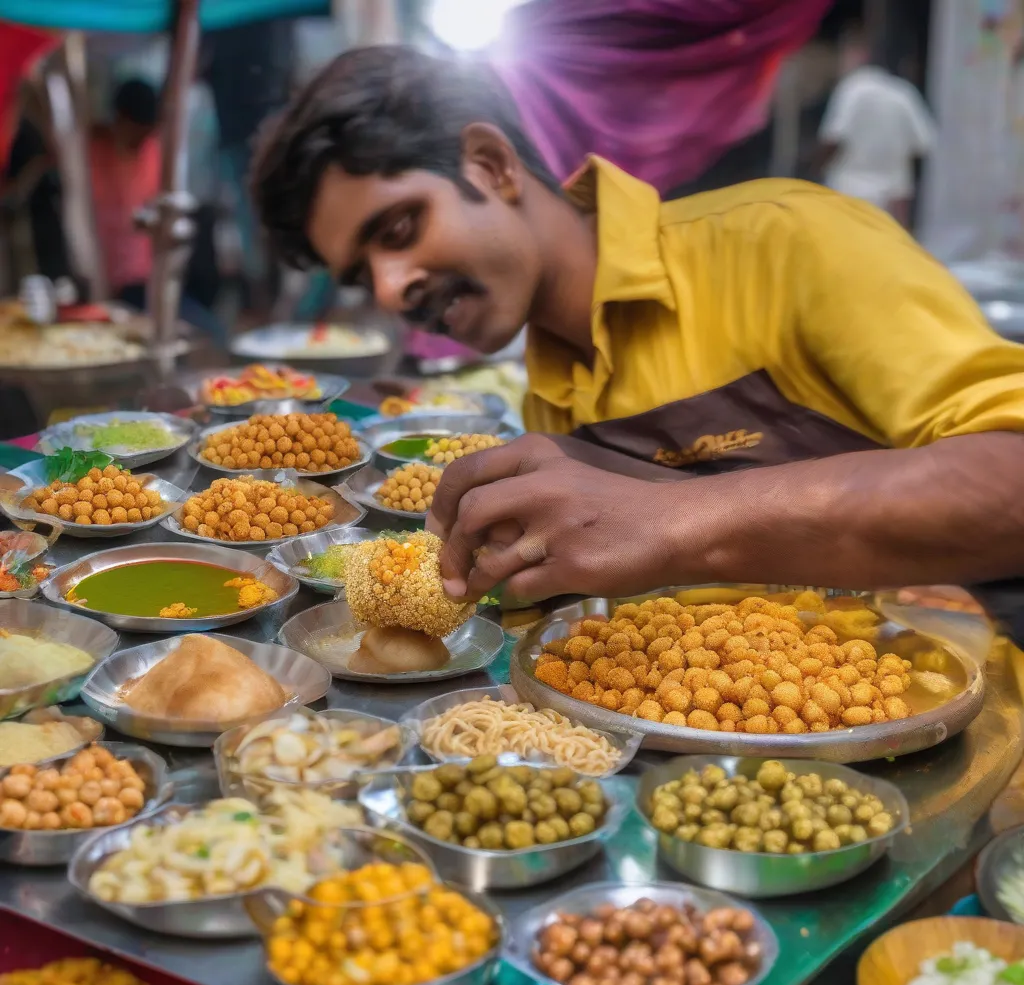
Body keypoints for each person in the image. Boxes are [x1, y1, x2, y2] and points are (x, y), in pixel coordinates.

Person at [251, 47, 1024, 640]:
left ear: (490, 165)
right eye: (363, 275)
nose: (391, 291)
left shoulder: (785, 243)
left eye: (399, 228)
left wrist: (676, 519)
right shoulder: (550, 392)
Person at [816, 24, 935, 228]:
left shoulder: (852, 88)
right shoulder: (903, 93)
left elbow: (833, 138)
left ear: (861, 54)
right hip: (890, 202)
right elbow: (924, 144)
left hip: (848, 195)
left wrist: (813, 173)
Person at [88, 78, 161, 308]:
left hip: (145, 284)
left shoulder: (153, 152)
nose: (141, 141)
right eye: (136, 134)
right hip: (98, 285)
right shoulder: (89, 153)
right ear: (119, 121)